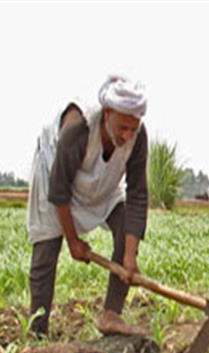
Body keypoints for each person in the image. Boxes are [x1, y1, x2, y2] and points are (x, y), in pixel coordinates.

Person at [27, 75, 150, 336]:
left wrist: (129, 257)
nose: (128, 135)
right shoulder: (78, 128)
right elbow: (59, 190)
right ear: (107, 114)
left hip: (102, 183)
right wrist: (73, 242)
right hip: (54, 176)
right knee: (46, 250)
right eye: (123, 128)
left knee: (125, 221)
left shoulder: (137, 138)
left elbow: (138, 194)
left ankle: (111, 314)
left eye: (134, 128)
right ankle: (37, 331)